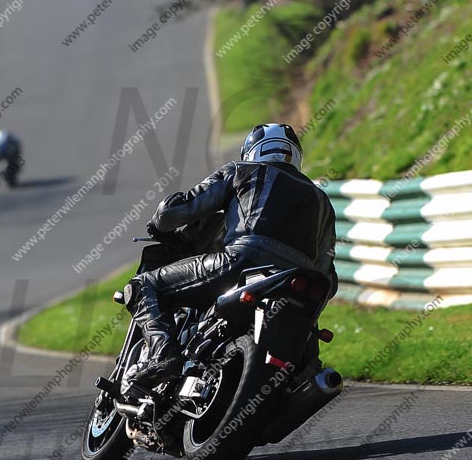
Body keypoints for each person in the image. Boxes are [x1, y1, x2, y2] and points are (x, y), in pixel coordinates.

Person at [125, 123, 338, 386]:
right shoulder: (322, 200)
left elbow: (179, 210)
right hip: (301, 280)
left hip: (243, 259)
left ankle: (163, 356)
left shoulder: (241, 170)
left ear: (252, 151)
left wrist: (159, 223)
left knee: (143, 285)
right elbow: (327, 269)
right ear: (295, 155)